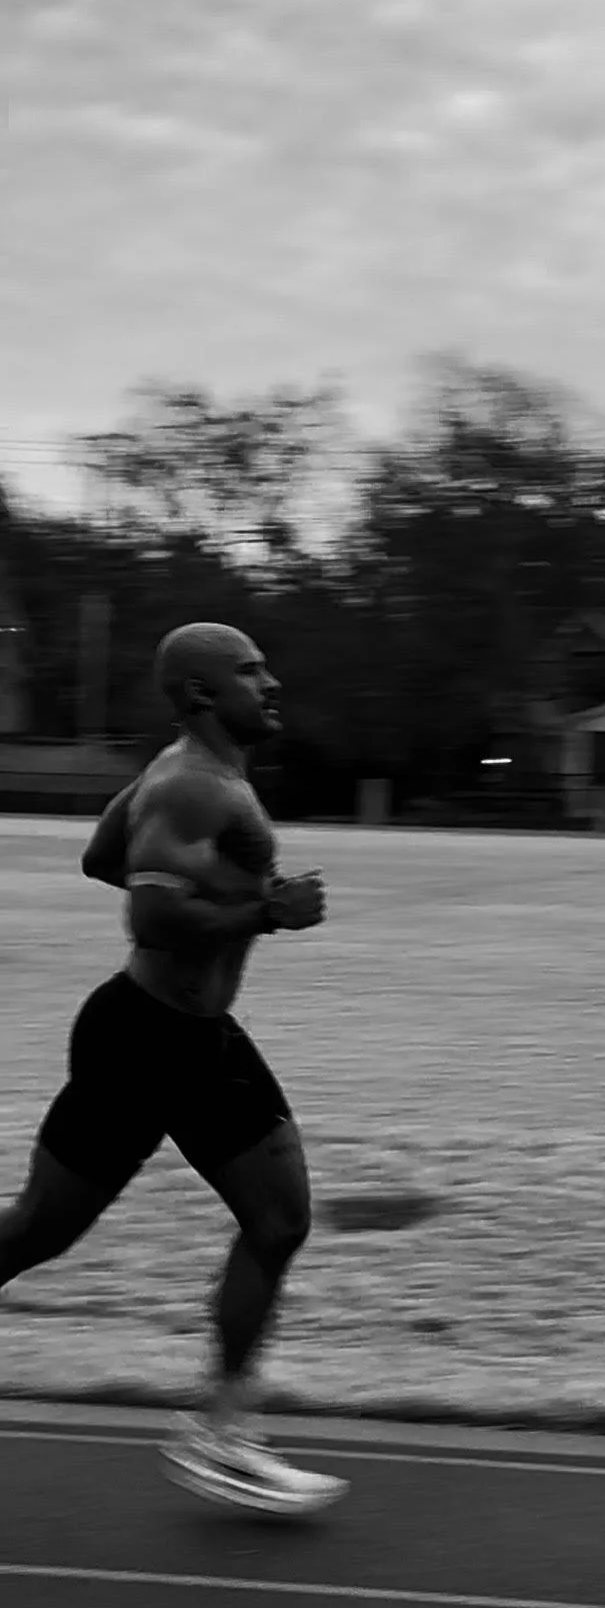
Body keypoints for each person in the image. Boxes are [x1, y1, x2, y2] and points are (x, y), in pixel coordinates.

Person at [0, 621, 346, 1517]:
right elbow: (151, 919)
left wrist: (225, 898)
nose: (270, 683)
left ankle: (223, 1428)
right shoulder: (193, 784)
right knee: (50, 1230)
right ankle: (222, 1433)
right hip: (152, 1038)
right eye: (249, 671)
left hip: (179, 1032)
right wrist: (266, 911)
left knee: (265, 1219)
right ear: (200, 693)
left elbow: (103, 855)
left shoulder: (182, 775)